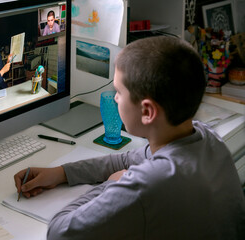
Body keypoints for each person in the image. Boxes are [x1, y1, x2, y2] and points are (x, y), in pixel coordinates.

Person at [14, 36, 245, 239]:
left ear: (147, 112)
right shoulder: (206, 137)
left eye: (119, 92)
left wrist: (110, 185)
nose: (115, 99)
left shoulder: (147, 185)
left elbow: (59, 233)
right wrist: (61, 173)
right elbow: (125, 161)